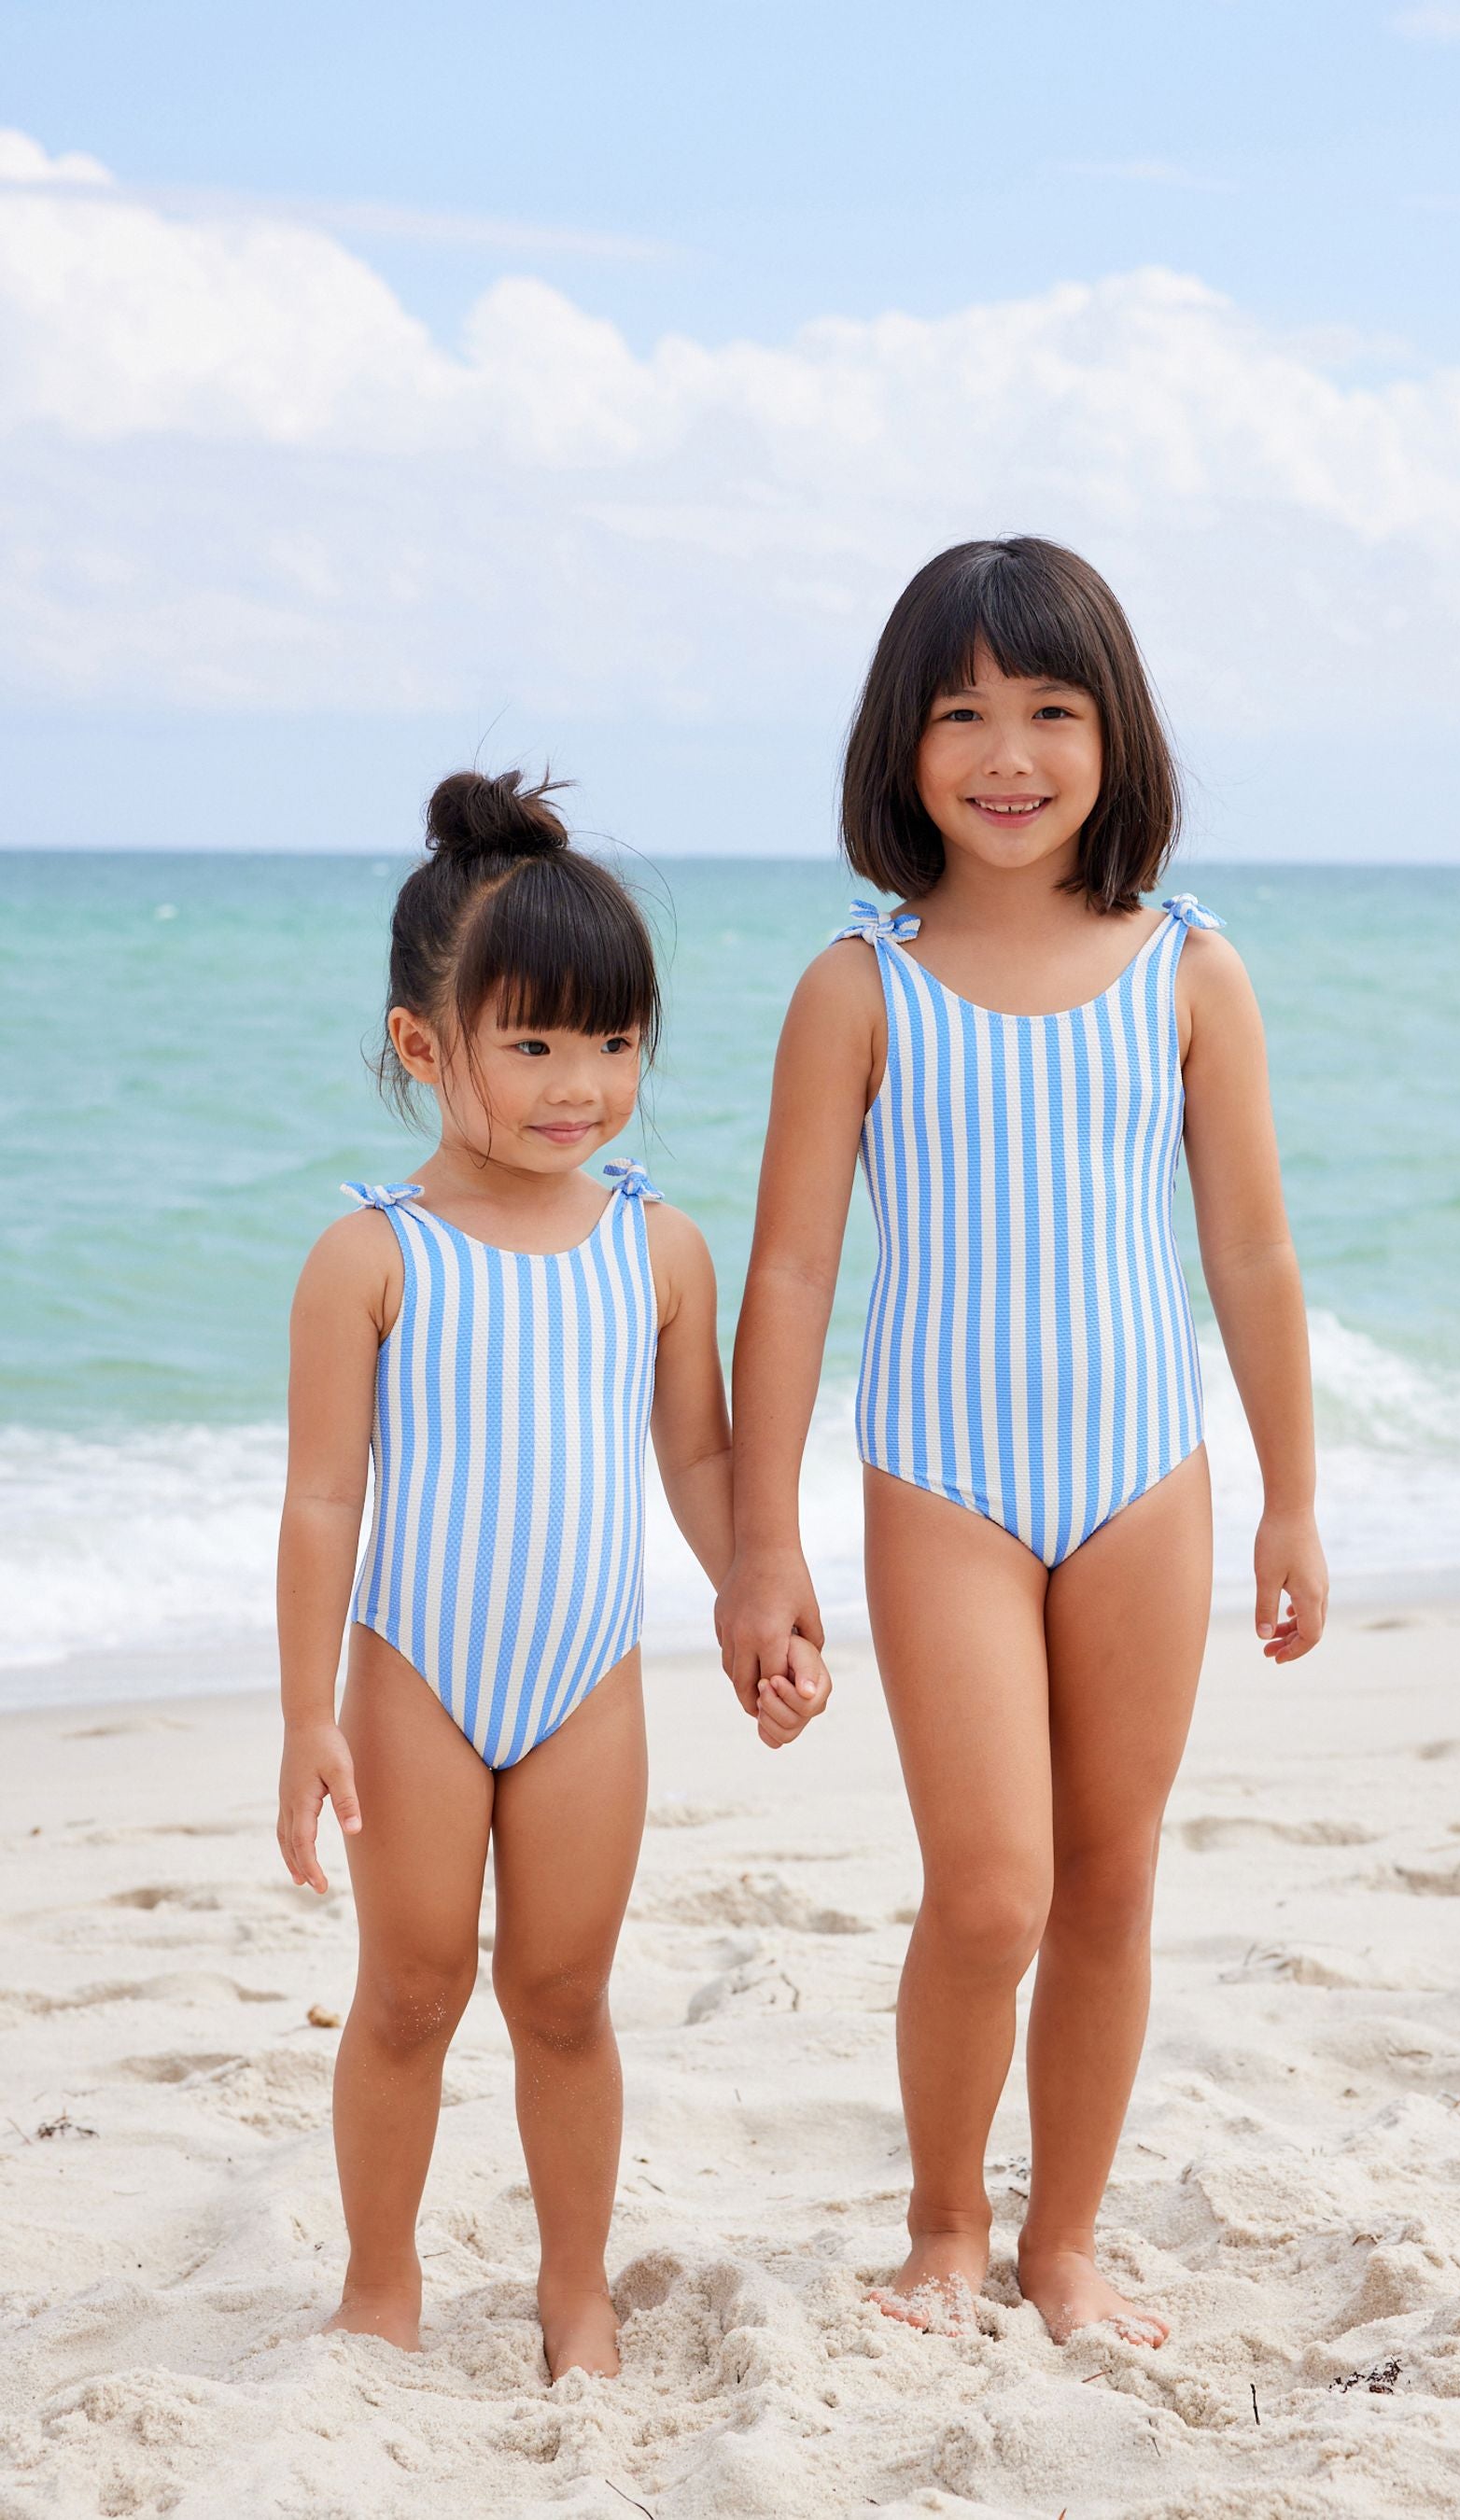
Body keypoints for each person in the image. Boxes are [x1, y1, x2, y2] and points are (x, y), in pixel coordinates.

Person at [718, 538, 1327, 2347]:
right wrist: (765, 1543)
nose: (1009, 753)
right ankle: (943, 2224)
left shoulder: (1192, 970)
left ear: (1112, 734)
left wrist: (1293, 1498)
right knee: (992, 1890)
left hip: (1150, 1475)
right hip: (943, 1489)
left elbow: (1251, 1253)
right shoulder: (860, 987)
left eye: (1051, 710)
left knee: (1114, 1879)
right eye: (962, 713)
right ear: (899, 747)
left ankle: (1065, 2240)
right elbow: (793, 1276)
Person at [275, 769, 830, 2380]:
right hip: (414, 1678)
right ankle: (381, 2281)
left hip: (588, 1678)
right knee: (409, 1989)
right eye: (531, 1044)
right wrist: (309, 1714)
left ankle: (575, 2287)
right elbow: (323, 1504)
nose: (580, 1083)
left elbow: (703, 1463)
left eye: (614, 1042)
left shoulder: (656, 1249)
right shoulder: (371, 1257)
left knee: (567, 1994)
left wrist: (757, 1597)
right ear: (423, 1048)